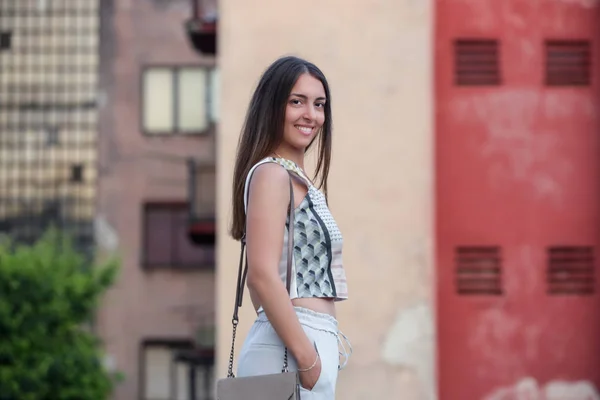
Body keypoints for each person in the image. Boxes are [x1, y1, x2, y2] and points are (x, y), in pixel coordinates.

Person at [229, 55, 352, 399]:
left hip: (301, 349)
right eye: (296, 101)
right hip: (294, 355)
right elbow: (262, 276)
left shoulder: (296, 180)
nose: (310, 115)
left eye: (319, 104)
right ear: (272, 107)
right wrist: (307, 359)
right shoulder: (271, 174)